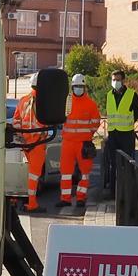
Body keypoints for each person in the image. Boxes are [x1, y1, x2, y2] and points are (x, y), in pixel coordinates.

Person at [57, 73, 101, 209]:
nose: (78, 89)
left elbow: (96, 122)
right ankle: (65, 198)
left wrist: (87, 134)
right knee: (65, 172)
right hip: (68, 143)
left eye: (80, 86)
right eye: (76, 86)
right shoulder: (66, 102)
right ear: (72, 87)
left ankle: (81, 198)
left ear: (85, 87)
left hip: (83, 143)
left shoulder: (91, 104)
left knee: (85, 172)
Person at [100, 70, 138, 198]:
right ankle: (114, 193)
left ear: (123, 81)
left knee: (127, 164)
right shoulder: (109, 95)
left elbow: (137, 112)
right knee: (113, 164)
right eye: (113, 80)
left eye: (117, 80)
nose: (115, 82)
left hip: (126, 135)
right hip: (113, 135)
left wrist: (129, 123)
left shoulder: (131, 94)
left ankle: (128, 193)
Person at [12, 74, 48, 214]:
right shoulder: (45, 101)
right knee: (34, 175)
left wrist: (22, 136)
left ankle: (16, 199)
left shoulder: (23, 100)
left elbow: (16, 121)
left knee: (23, 172)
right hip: (38, 143)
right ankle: (32, 203)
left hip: (24, 144)